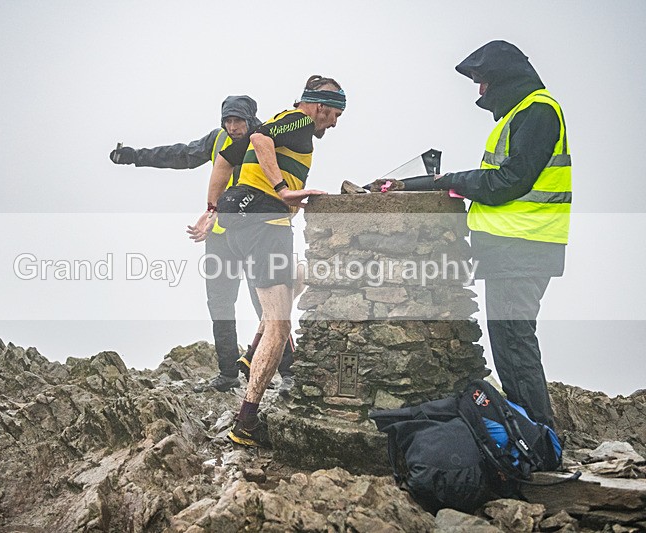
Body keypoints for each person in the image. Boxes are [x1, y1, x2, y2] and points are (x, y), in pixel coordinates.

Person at [383, 41, 570, 429]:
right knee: (509, 342)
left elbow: (510, 181)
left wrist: (453, 180)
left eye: (482, 82)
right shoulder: (523, 112)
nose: (480, 92)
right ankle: (530, 432)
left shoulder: (538, 111)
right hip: (514, 248)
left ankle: (539, 436)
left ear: (503, 78)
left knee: (515, 343)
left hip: (525, 246)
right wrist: (436, 183)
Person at [190, 75, 345, 447]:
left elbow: (223, 166)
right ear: (319, 106)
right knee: (280, 324)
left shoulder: (278, 124)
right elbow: (260, 140)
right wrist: (283, 190)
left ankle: (249, 355)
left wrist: (211, 209)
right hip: (265, 222)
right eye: (335, 114)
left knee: (297, 278)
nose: (335, 123)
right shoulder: (299, 119)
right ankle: (246, 423)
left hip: (236, 221)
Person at [111, 96, 296, 394]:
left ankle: (289, 373)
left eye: (239, 121)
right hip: (220, 237)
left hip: (258, 233)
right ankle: (227, 373)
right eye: (228, 121)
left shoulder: (265, 138)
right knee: (220, 304)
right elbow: (180, 155)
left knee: (269, 304)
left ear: (251, 120)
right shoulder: (217, 139)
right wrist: (135, 156)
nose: (233, 127)